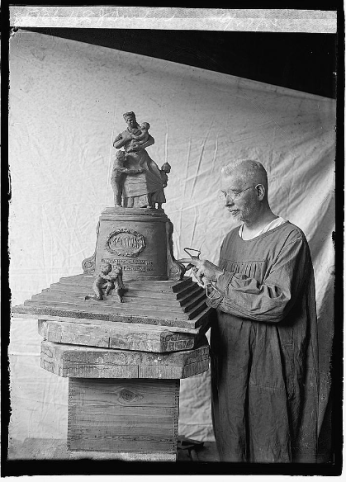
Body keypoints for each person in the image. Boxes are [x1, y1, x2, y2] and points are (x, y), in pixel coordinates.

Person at [178, 160, 319, 463]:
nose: (227, 202)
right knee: (232, 438)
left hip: (270, 362)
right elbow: (227, 298)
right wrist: (208, 284)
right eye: (223, 194)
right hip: (231, 359)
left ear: (259, 191)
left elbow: (275, 304)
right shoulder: (231, 239)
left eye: (235, 193)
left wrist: (219, 277)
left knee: (270, 439)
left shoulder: (288, 239)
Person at [113, 112, 163, 208]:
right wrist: (126, 139)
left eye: (132, 119)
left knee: (146, 175)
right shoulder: (124, 133)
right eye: (128, 120)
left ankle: (146, 203)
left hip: (141, 157)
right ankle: (130, 205)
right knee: (129, 179)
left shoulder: (141, 130)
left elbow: (151, 140)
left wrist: (141, 146)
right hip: (129, 158)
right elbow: (115, 145)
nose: (131, 121)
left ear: (135, 119)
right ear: (126, 122)